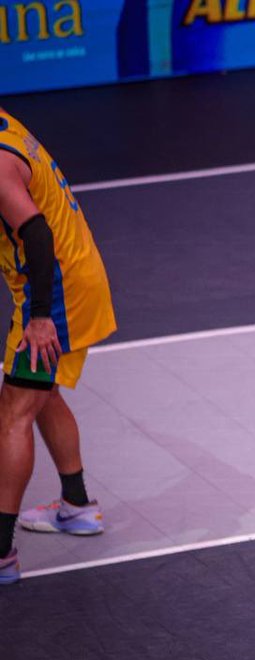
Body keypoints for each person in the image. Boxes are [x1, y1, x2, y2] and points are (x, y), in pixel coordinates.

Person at [0, 108, 117, 586]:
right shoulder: (4, 123)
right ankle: (77, 506)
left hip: (56, 295)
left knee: (14, 412)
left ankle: (1, 554)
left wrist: (41, 318)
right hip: (75, 274)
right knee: (42, 393)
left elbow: (36, 231)